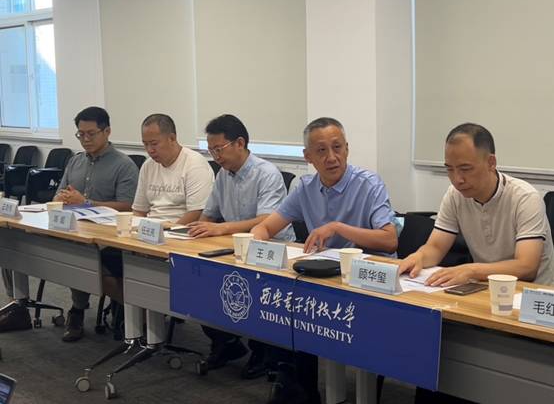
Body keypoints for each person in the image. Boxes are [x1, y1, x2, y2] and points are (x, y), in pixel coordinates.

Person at [398, 123, 554, 404]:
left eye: (465, 169)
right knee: (440, 359)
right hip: (486, 299)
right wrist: (416, 258)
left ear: (491, 162)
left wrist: (471, 270)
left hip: (530, 308)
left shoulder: (525, 198)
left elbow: (526, 266)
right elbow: (435, 247)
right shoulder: (455, 196)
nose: (457, 179)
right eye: (449, 169)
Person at [252, 117, 398, 404]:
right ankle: (303, 392)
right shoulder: (305, 188)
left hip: (368, 282)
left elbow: (389, 240)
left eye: (337, 147)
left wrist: (338, 228)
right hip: (325, 280)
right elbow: (265, 227)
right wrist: (256, 243)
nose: (332, 157)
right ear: (308, 156)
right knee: (286, 307)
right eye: (321, 150)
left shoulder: (369, 184)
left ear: (347, 149)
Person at [0, 106, 139, 342]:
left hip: (105, 235)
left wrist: (86, 203)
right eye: (80, 134)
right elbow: (59, 194)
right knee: (15, 240)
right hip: (69, 227)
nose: (85, 139)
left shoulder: (123, 165)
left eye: (91, 134)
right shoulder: (75, 161)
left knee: (76, 255)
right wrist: (61, 199)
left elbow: (128, 207)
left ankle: (78, 309)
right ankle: (18, 303)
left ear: (107, 131)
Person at [187, 114, 295, 379]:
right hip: (234, 250)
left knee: (257, 294)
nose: (215, 156)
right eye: (211, 150)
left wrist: (222, 228)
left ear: (240, 143)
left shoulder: (266, 173)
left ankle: (264, 352)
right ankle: (226, 342)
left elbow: (267, 220)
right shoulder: (223, 175)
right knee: (198, 280)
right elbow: (209, 215)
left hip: (272, 253)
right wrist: (192, 235)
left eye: (219, 149)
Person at [132, 113, 213, 224]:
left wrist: (168, 229)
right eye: (145, 144)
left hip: (180, 228)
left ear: (172, 138)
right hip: (151, 228)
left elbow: (196, 213)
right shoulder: (148, 165)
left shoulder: (194, 164)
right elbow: (139, 210)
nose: (150, 150)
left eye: (154, 144)